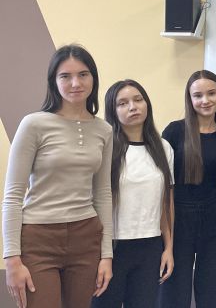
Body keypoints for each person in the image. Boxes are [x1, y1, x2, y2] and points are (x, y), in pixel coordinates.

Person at [3, 44, 113, 308]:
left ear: (93, 78)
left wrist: (106, 255)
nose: (75, 83)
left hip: (86, 236)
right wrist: (12, 259)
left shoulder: (104, 130)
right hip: (38, 238)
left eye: (83, 74)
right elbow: (13, 195)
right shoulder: (34, 124)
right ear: (54, 81)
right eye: (65, 76)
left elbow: (103, 194)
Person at [92, 80, 175, 308]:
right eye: (123, 103)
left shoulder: (164, 148)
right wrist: (101, 254)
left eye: (138, 100)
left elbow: (166, 203)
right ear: (112, 110)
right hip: (111, 247)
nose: (133, 107)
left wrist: (168, 248)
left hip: (150, 246)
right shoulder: (104, 147)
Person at [158, 70, 216, 308]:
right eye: (198, 95)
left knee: (214, 290)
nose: (205, 100)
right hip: (178, 216)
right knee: (172, 289)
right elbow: (162, 182)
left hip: (215, 219)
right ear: (189, 99)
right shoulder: (174, 131)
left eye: (211, 93)